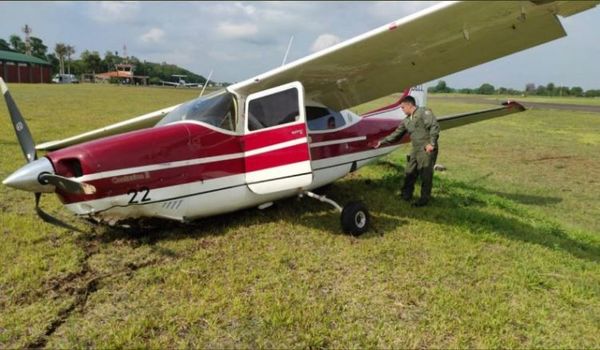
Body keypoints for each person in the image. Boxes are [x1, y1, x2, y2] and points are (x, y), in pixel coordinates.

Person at [373, 95, 440, 207]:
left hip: (426, 147)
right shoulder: (406, 121)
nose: (402, 110)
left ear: (409, 105)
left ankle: (424, 199)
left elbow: (434, 126)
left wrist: (432, 143)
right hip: (415, 148)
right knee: (410, 171)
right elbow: (396, 134)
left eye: (403, 107)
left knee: (425, 174)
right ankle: (406, 194)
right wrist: (382, 142)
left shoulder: (424, 112)